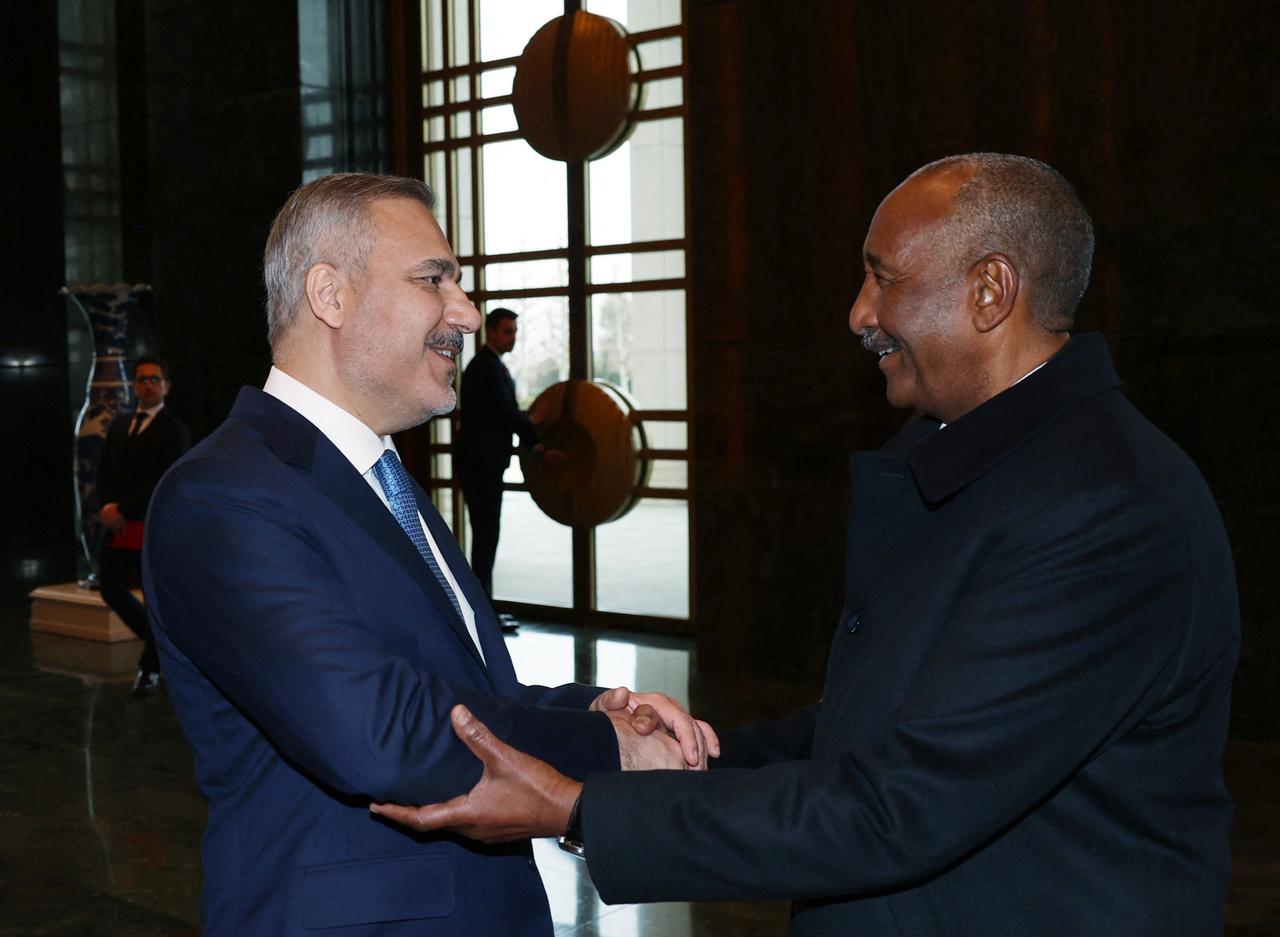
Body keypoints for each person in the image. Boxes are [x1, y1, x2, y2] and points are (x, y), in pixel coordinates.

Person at [371, 154, 1241, 937]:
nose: (859, 313)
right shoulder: (994, 464)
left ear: (990, 291)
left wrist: (580, 809)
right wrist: (684, 757)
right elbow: (875, 727)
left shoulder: (1107, 507)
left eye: (883, 278)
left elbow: (898, 805)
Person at [141, 173, 716, 937]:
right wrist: (605, 746)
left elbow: (463, 692)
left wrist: (593, 705)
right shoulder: (222, 495)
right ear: (330, 295)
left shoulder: (382, 478)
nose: (467, 313)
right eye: (433, 280)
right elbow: (376, 726)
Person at [96, 354, 189, 696]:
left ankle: (150, 668)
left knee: (155, 597)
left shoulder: (175, 429)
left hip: (153, 524)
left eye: (154, 379)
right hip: (117, 524)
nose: (147, 385)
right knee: (111, 587)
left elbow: (164, 478)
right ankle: (161, 650)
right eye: (141, 379)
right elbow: (104, 470)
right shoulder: (120, 424)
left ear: (166, 386)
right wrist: (107, 506)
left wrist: (123, 507)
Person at [455, 306, 545, 598]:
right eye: (508, 331)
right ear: (491, 331)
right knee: (485, 536)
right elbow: (505, 414)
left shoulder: (490, 365)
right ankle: (483, 609)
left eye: (515, 332)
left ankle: (485, 607)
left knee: (486, 536)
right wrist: (534, 433)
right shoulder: (486, 367)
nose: (513, 338)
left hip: (483, 464)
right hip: (480, 465)